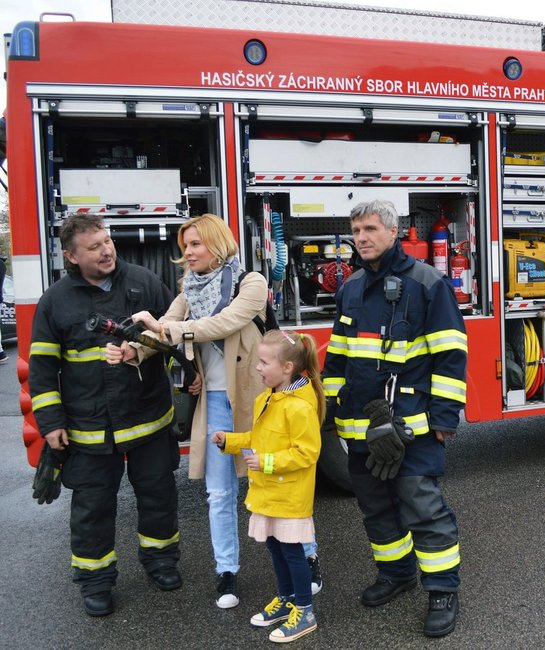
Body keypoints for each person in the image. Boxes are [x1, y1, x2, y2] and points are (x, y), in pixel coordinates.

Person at [128, 213, 322, 609]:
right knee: (219, 493)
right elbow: (166, 325)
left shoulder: (250, 282)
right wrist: (133, 349)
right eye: (185, 247)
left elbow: (222, 323)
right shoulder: (188, 289)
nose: (188, 253)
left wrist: (165, 330)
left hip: (257, 398)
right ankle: (226, 571)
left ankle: (308, 558)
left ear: (218, 244)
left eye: (196, 244)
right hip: (214, 400)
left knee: (276, 485)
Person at [322, 199, 468, 637]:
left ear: (393, 231)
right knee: (376, 509)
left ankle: (442, 588)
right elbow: (338, 359)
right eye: (356, 230)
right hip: (362, 429)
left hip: (413, 428)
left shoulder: (427, 283)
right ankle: (397, 574)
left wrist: (444, 419)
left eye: (370, 229)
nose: (361, 237)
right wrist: (333, 410)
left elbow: (450, 355)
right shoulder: (351, 287)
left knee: (421, 507)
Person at [28, 213, 180, 617]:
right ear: (71, 256)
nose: (107, 250)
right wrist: (51, 422)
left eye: (107, 241)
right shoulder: (55, 301)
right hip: (89, 427)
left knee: (158, 495)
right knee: (92, 508)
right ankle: (95, 581)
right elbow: (42, 367)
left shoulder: (144, 282)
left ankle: (161, 562)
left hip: (148, 417)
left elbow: (177, 332)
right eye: (94, 247)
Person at [212, 330, 324, 643]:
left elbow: (308, 453)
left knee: (291, 552)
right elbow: (258, 438)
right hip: (270, 493)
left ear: (287, 368)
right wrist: (230, 441)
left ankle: (304, 610)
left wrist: (267, 463)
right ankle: (287, 599)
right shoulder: (269, 398)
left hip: (288, 495)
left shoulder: (299, 407)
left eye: (263, 362)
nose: (258, 368)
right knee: (276, 547)